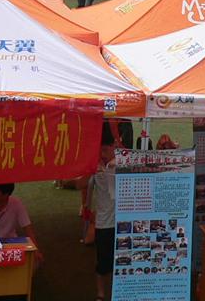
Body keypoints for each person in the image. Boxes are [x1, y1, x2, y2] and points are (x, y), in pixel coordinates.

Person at [88, 129, 117, 301]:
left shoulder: (120, 165)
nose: (103, 155)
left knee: (120, 261)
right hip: (103, 224)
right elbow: (80, 185)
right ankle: (100, 294)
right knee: (103, 263)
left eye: (105, 150)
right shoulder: (96, 168)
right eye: (100, 151)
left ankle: (116, 292)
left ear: (113, 146)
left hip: (121, 223)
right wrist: (90, 169)